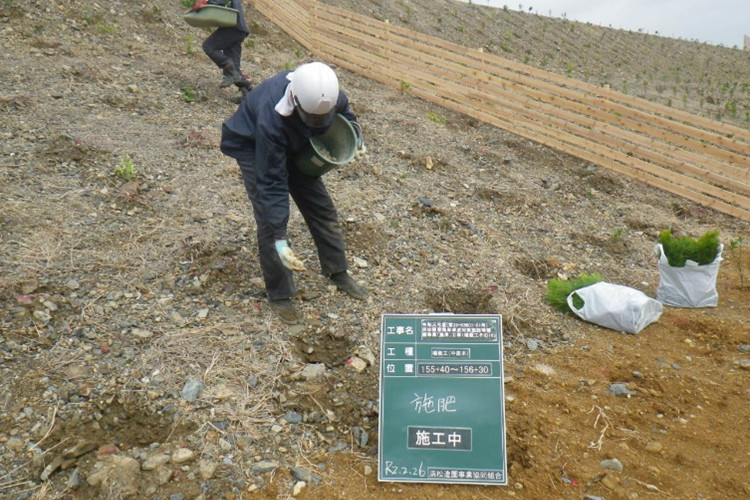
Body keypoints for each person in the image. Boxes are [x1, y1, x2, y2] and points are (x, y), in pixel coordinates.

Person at [220, 61, 368, 325]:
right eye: (313, 118)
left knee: (321, 207)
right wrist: (279, 236)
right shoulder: (272, 118)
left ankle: (337, 271)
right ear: (295, 100)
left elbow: (347, 115)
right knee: (269, 220)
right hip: (252, 143)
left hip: (297, 141)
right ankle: (280, 294)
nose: (320, 122)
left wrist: (356, 137)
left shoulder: (329, 94)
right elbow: (272, 181)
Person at [192, 0, 252, 95]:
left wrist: (206, 3)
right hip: (240, 28)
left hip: (232, 26)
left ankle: (230, 71)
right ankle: (248, 94)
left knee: (208, 46)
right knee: (235, 69)